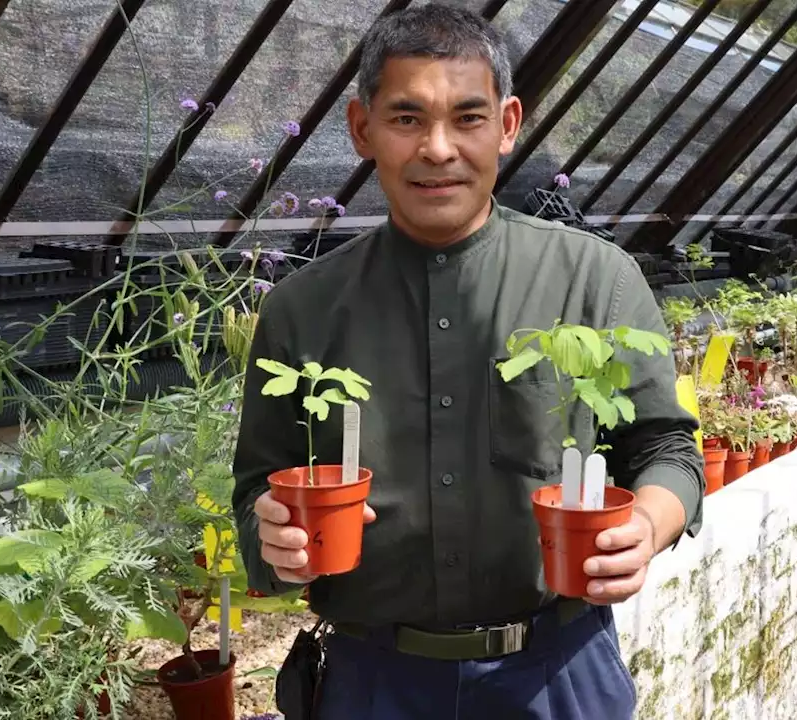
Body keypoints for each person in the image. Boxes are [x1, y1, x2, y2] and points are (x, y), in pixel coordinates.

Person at [231, 5, 704, 719]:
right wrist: (273, 539)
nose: (439, 148)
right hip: (371, 679)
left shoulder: (593, 279)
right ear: (363, 129)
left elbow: (666, 447)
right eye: (407, 119)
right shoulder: (303, 307)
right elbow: (254, 492)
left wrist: (646, 524)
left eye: (468, 118)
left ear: (508, 125)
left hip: (557, 671)